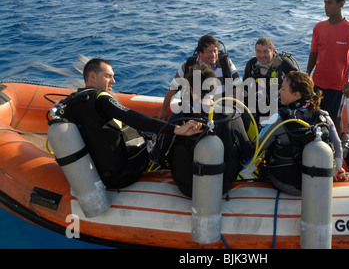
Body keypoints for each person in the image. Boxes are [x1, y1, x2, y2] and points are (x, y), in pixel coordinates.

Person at [56, 58, 202, 189]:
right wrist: (176, 129)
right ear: (92, 77)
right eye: (108, 76)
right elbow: (133, 118)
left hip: (101, 170)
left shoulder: (74, 100)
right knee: (169, 124)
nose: (113, 81)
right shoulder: (100, 98)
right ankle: (152, 161)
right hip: (122, 175)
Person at [153, 64, 253, 197]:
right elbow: (248, 154)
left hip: (187, 187)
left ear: (190, 89)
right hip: (223, 187)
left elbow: (158, 153)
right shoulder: (231, 115)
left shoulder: (178, 116)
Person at [257, 71, 345, 196]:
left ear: (296, 94)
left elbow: (257, 146)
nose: (279, 92)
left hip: (287, 185)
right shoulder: (323, 117)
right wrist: (338, 167)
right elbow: (337, 144)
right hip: (320, 184)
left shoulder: (278, 119)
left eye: (283, 89)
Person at [306, 0, 349, 135]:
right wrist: (307, 74)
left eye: (329, 3)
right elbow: (314, 53)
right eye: (324, 3)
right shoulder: (319, 27)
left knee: (334, 118)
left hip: (337, 86)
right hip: (317, 82)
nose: (325, 6)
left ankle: (337, 149)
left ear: (341, 4)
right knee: (314, 115)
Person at [157, 34, 242, 121]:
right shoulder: (188, 66)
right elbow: (173, 89)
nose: (213, 55)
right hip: (194, 114)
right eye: (209, 52)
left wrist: (231, 108)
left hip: (221, 113)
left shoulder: (226, 64)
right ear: (200, 53)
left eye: (215, 51)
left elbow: (238, 87)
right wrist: (163, 110)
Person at [242, 37, 296, 124]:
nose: (262, 55)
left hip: (280, 108)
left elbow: (299, 84)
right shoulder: (252, 64)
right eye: (258, 51)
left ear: (273, 51)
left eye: (265, 51)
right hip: (258, 107)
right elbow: (245, 88)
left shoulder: (283, 64)